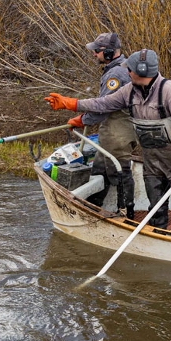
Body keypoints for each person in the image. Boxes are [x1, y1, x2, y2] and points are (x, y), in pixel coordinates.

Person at [45, 49, 171, 235]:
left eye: (131, 70)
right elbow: (102, 104)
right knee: (156, 207)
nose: (127, 72)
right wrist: (71, 104)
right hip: (152, 162)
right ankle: (159, 240)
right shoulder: (129, 91)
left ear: (142, 71)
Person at [68, 32, 138, 219]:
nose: (94, 54)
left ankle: (126, 214)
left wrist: (83, 120)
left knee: (120, 170)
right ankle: (91, 208)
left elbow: (103, 107)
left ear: (108, 52)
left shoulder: (115, 74)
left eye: (97, 51)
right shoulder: (121, 68)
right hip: (112, 131)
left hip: (119, 132)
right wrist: (84, 117)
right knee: (99, 168)